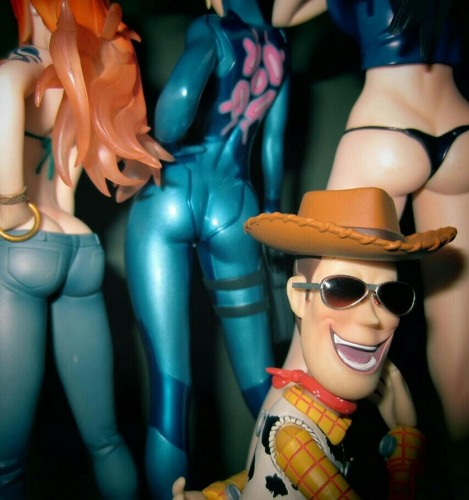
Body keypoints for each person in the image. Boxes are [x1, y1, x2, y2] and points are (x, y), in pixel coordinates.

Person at [271, 0, 469, 443]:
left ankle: (262, 474)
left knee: (309, 337)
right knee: (464, 374)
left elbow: (282, 12)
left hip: (386, 131)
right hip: (467, 135)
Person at [172, 187, 457, 499]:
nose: (374, 319)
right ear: (300, 297)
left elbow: (261, 476)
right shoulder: (294, 436)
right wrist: (405, 438)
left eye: (391, 296)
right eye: (343, 289)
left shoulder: (300, 412)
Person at [0, 1, 168, 497]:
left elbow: (5, 93)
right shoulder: (81, 77)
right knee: (106, 439)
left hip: (23, 247)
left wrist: (14, 211)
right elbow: (74, 180)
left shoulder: (18, 69)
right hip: (78, 246)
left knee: (6, 462)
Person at [124, 0, 290, 496]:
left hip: (174, 190)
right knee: (261, 382)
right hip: (236, 201)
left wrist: (156, 135)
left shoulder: (212, 28)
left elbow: (175, 110)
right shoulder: (278, 46)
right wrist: (271, 215)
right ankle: (299, 475)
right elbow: (273, 149)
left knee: (170, 389)